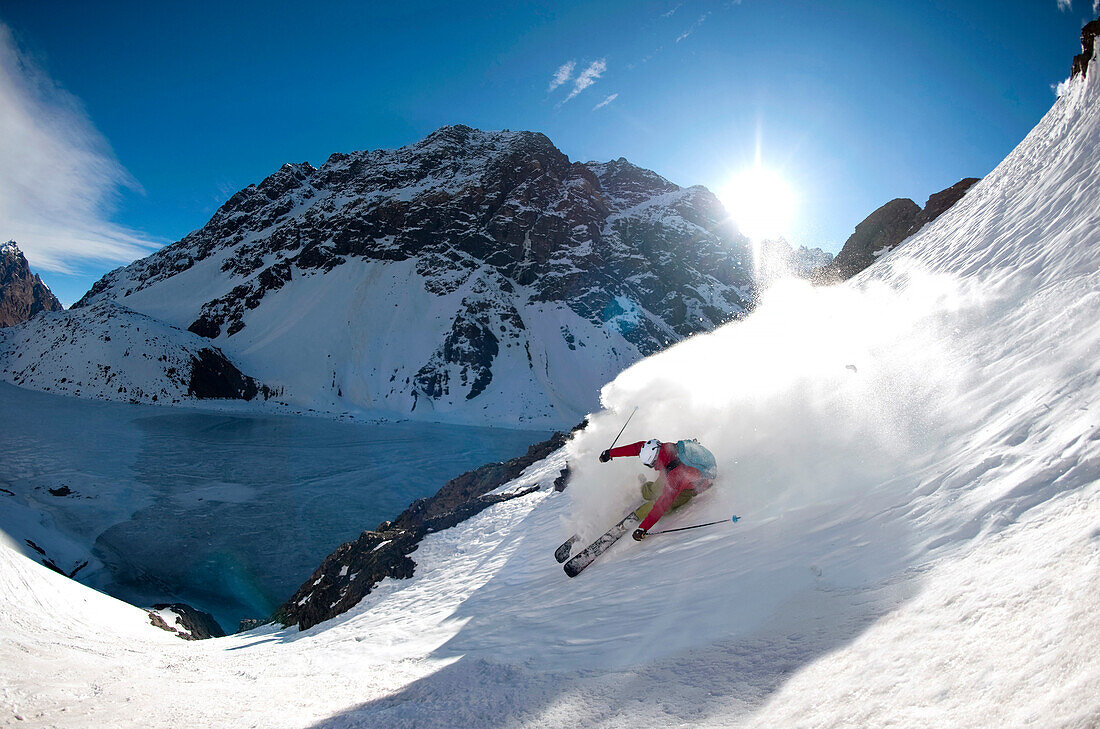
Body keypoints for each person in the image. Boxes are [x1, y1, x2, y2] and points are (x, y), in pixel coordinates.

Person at [599, 438, 714, 541]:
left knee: (660, 504)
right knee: (656, 488)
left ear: (655, 460)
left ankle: (639, 514)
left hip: (690, 487)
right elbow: (637, 448)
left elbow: (662, 505)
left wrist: (643, 528)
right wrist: (610, 453)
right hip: (671, 473)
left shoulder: (676, 476)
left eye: (650, 465)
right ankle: (646, 490)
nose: (653, 468)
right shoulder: (663, 448)